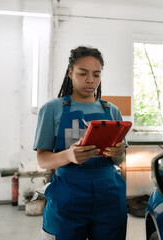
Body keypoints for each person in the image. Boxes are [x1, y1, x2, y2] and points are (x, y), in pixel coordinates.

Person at [33, 46, 127, 240]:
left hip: (109, 194)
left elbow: (119, 161)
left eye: (96, 74)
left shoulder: (112, 112)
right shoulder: (52, 109)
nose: (90, 80)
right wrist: (68, 155)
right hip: (68, 193)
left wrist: (118, 154)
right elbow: (43, 160)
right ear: (70, 73)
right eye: (82, 73)